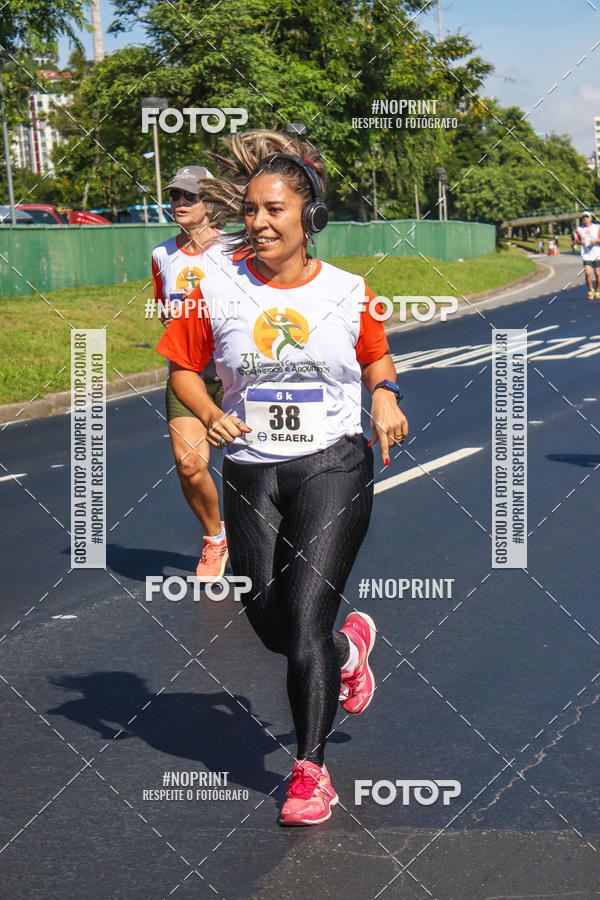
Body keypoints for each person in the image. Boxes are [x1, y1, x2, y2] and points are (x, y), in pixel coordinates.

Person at [156, 130, 408, 826]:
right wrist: (208, 410)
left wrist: (386, 396)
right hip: (251, 472)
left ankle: (309, 770)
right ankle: (349, 648)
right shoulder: (214, 286)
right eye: (252, 210)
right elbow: (184, 369)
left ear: (308, 218)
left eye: (274, 210)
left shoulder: (350, 291)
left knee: (301, 622)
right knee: (269, 623)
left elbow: (377, 360)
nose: (259, 222)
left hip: (332, 464)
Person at [152, 165, 229, 580]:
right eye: (175, 196)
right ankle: (216, 540)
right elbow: (163, 306)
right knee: (189, 465)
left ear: (210, 204)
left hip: (237, 376)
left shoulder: (236, 248)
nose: (180, 203)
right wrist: (172, 317)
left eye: (190, 197)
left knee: (257, 469)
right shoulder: (162, 254)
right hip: (187, 374)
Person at [574, 211, 600, 300]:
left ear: (591, 218)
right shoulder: (579, 229)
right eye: (583, 217)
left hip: (597, 254)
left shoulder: (597, 227)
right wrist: (579, 242)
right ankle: (590, 290)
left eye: (587, 216)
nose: (585, 218)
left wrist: (596, 241)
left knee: (598, 274)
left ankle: (598, 289)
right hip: (586, 254)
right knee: (588, 272)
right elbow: (576, 241)